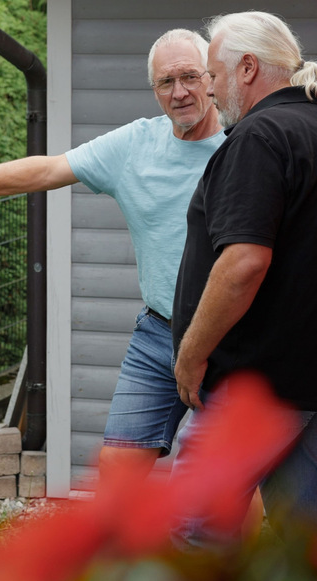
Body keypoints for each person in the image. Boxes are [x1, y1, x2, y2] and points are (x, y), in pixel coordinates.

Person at [0, 29, 225, 486]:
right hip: (160, 332)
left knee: (224, 480)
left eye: (190, 76)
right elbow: (47, 168)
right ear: (154, 90)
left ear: (212, 79)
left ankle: (231, 557)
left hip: (231, 332)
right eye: (166, 82)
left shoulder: (242, 144)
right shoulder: (134, 145)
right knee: (118, 468)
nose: (180, 92)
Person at [172, 10, 317, 545]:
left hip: (249, 393)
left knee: (195, 541)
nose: (208, 90)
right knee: (300, 550)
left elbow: (243, 263)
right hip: (306, 389)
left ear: (248, 68)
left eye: (212, 74)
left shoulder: (259, 135)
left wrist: (190, 356)